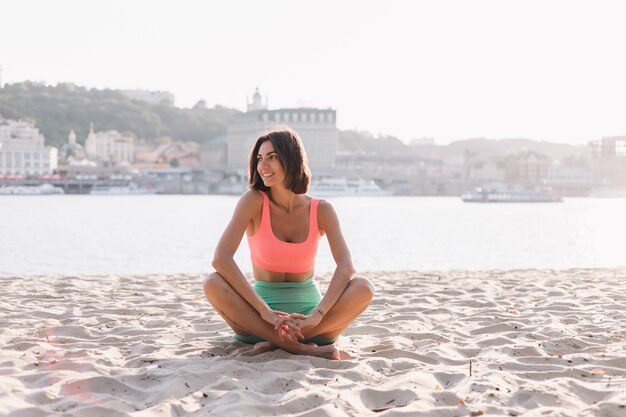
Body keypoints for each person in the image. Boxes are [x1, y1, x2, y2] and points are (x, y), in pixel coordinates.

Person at [203, 127, 374, 360]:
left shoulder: (322, 210)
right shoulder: (252, 201)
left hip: (313, 327)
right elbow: (220, 259)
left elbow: (346, 266)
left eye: (272, 157)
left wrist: (317, 315)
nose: (263, 166)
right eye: (259, 159)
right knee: (212, 282)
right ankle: (296, 347)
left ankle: (278, 343)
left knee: (363, 287)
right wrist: (266, 313)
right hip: (258, 323)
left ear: (291, 158)